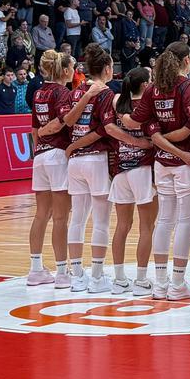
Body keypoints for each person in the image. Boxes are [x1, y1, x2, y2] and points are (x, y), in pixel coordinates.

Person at [124, 41, 190, 301]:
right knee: (185, 222)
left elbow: (137, 120)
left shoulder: (154, 89)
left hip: (161, 161)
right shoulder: (188, 87)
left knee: (165, 221)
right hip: (185, 162)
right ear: (186, 61)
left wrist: (124, 117)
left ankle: (160, 284)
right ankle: (178, 284)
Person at [64, 44, 116, 293]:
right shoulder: (105, 93)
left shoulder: (76, 91)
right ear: (107, 69)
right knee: (102, 220)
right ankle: (96, 277)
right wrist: (77, 145)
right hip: (95, 158)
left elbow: (68, 122)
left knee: (78, 218)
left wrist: (73, 146)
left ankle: (76, 276)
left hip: (75, 163)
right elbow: (103, 130)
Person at [104, 68, 158, 295]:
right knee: (147, 227)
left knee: (122, 226)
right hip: (142, 169)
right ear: (145, 85)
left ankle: (118, 279)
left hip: (120, 169)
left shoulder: (119, 104)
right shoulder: (147, 107)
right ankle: (142, 280)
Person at [27, 50, 78, 287]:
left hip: (40, 156)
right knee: (60, 217)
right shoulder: (62, 92)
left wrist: (39, 149)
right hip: (57, 154)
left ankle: (35, 269)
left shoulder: (38, 92)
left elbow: (34, 129)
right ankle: (62, 273)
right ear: (64, 70)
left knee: (41, 214)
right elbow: (63, 120)